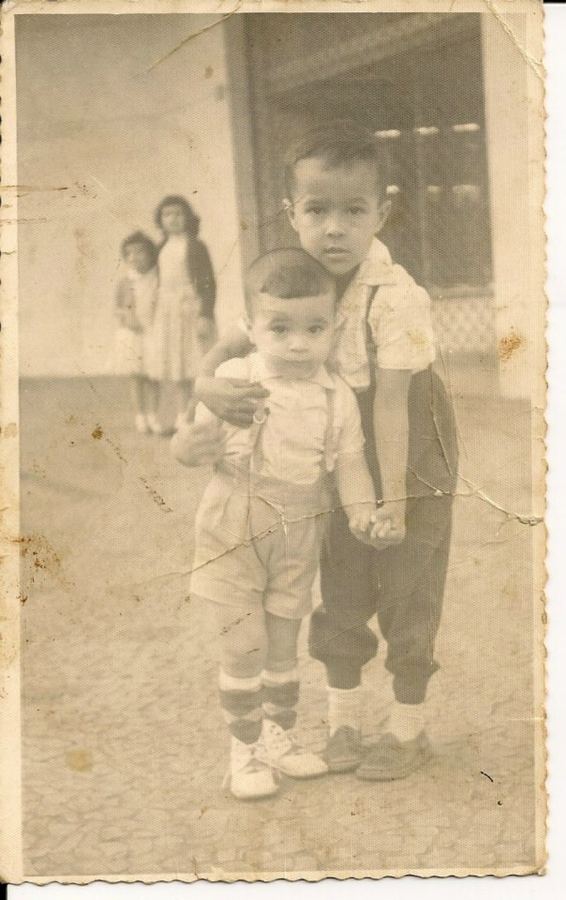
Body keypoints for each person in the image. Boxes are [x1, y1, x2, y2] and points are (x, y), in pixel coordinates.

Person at [189, 119, 458, 782]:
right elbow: (230, 346)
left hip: (407, 441)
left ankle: (406, 727)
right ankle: (342, 723)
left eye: (352, 211)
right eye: (317, 211)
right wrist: (203, 385)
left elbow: (392, 406)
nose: (334, 228)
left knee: (404, 579)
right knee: (336, 575)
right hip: (323, 438)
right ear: (292, 212)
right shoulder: (290, 278)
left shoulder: (393, 296)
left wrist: (388, 503)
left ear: (381, 213)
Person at [172, 248, 380, 800]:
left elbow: (351, 463)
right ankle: (242, 751)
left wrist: (361, 510)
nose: (297, 342)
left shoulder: (336, 396)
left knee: (285, 647)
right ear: (250, 328)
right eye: (280, 328)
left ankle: (278, 738)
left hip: (299, 532)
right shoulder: (234, 379)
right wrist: (188, 445)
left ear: (333, 328)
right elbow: (190, 447)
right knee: (244, 647)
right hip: (231, 528)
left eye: (314, 328)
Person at [149, 195, 216, 433]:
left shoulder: (196, 246)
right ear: (161, 219)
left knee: (194, 362)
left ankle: (199, 415)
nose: (173, 219)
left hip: (190, 309)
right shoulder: (159, 248)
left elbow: (208, 282)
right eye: (167, 214)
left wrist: (205, 314)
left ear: (187, 217)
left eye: (178, 214)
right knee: (176, 365)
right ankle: (181, 415)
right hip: (168, 311)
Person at [113, 231, 160, 434]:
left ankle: (153, 415)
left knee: (154, 375)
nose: (135, 257)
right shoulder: (125, 282)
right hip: (133, 334)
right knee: (136, 376)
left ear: (151, 254)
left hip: (154, 333)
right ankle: (140, 416)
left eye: (140, 252)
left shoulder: (158, 279)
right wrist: (127, 317)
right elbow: (118, 308)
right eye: (129, 253)